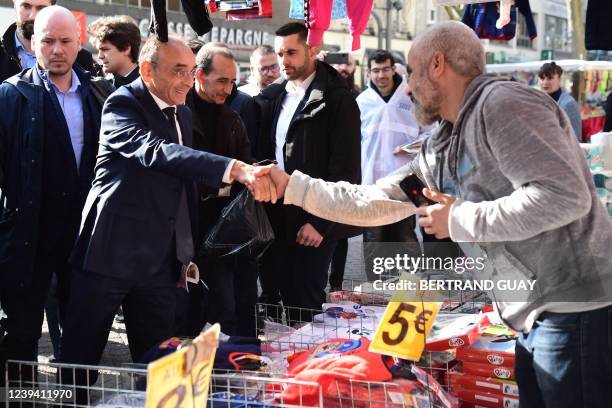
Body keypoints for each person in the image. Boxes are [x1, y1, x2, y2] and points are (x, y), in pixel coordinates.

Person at [266, 21, 612, 408]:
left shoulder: (504, 105)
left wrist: (460, 218)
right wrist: (292, 188)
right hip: (533, 315)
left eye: (411, 73)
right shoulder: (443, 143)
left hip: (573, 308)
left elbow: (563, 196)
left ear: (437, 65)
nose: (408, 87)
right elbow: (376, 201)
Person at [59, 35, 275, 395]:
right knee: (78, 364)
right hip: (107, 257)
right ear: (147, 69)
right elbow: (157, 153)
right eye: (178, 72)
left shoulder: (184, 111)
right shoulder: (122, 103)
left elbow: (181, 186)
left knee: (161, 364)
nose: (187, 82)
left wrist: (184, 255)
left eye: (191, 72)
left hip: (158, 264)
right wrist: (233, 168)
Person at [0, 5, 103, 386]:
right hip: (27, 236)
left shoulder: (99, 94)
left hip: (84, 238)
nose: (56, 49)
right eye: (47, 41)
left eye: (64, 41)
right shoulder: (10, 96)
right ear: (33, 43)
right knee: (22, 337)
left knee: (81, 337)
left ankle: (74, 398)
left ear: (79, 43)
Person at [255, 22, 361, 316]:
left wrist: (320, 223)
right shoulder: (273, 97)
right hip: (276, 214)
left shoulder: (339, 100)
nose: (283, 61)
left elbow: (346, 170)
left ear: (312, 50)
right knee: (275, 294)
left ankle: (311, 362)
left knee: (305, 299)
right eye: (280, 53)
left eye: (291, 52)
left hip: (314, 218)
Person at [183, 43, 256, 337]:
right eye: (221, 81)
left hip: (223, 233)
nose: (228, 89)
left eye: (232, 82)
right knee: (188, 310)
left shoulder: (232, 119)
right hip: (186, 229)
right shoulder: (179, 113)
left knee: (225, 308)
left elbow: (245, 165)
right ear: (199, 75)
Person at [358, 50, 436, 281]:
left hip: (406, 179)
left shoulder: (409, 96)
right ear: (368, 72)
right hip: (371, 181)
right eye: (376, 70)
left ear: (394, 69)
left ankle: (413, 285)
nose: (381, 75)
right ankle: (377, 288)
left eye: (385, 69)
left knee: (404, 234)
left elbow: (431, 132)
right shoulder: (361, 102)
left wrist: (412, 147)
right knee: (374, 236)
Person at [0, 0, 95, 82]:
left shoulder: (81, 59)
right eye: (26, 6)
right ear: (14, 3)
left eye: (41, 8)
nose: (32, 16)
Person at [88, 15, 141, 88]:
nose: (100, 56)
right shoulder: (101, 85)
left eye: (105, 49)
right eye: (99, 50)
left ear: (126, 48)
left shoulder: (150, 86)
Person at [538, 61, 582, 140]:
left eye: (550, 78)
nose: (545, 82)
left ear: (560, 79)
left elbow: (576, 137)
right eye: (542, 78)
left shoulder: (569, 104)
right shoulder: (536, 101)